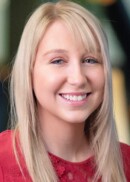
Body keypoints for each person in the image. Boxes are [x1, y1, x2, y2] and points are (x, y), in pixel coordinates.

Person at [0, 0, 130, 181]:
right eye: (58, 61)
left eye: (90, 60)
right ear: (29, 73)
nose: (77, 78)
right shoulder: (3, 161)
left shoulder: (126, 163)